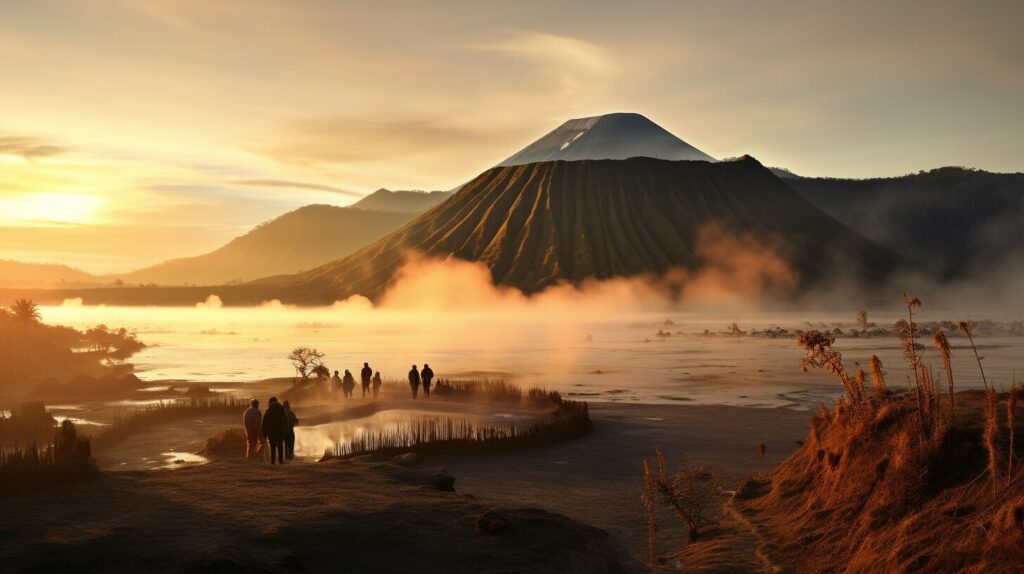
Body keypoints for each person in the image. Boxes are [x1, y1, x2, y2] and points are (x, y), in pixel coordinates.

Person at [261, 396, 286, 464]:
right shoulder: (282, 410)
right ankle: (280, 460)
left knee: (272, 446)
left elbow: (264, 422)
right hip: (280, 430)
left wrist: (264, 433)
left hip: (271, 431)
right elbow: (285, 421)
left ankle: (273, 461)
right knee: (280, 445)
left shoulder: (268, 411)